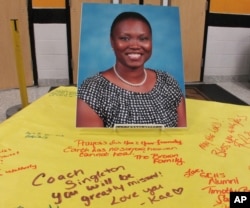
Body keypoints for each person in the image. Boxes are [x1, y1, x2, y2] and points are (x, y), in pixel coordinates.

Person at [76, 11, 186, 128]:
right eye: (125, 38)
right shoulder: (94, 90)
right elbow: (92, 144)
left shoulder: (168, 82)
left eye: (143, 39)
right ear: (112, 42)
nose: (134, 45)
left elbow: (184, 136)